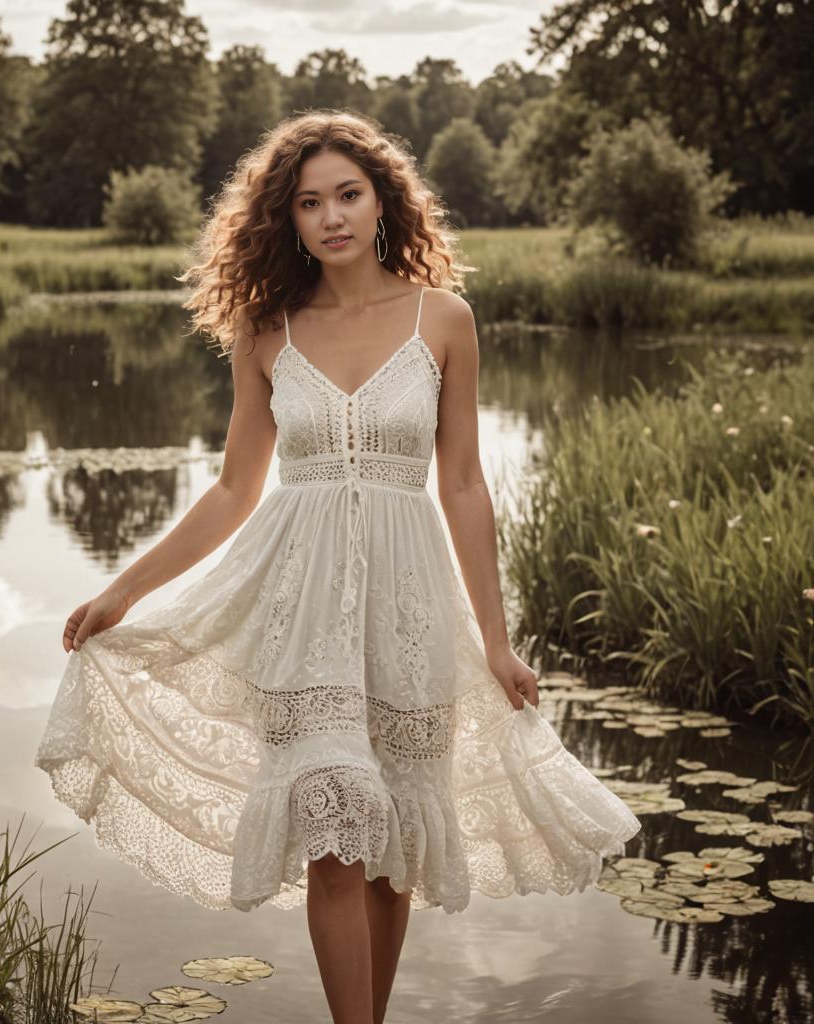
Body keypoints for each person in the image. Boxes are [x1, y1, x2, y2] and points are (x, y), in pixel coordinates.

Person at [36, 109, 642, 1024]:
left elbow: (466, 485)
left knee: (392, 836)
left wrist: (497, 640)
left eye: (348, 194)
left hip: (410, 610)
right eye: (310, 202)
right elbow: (235, 491)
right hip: (299, 610)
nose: (331, 217)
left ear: (383, 200)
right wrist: (123, 592)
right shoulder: (266, 331)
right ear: (287, 220)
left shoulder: (445, 319)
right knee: (332, 831)